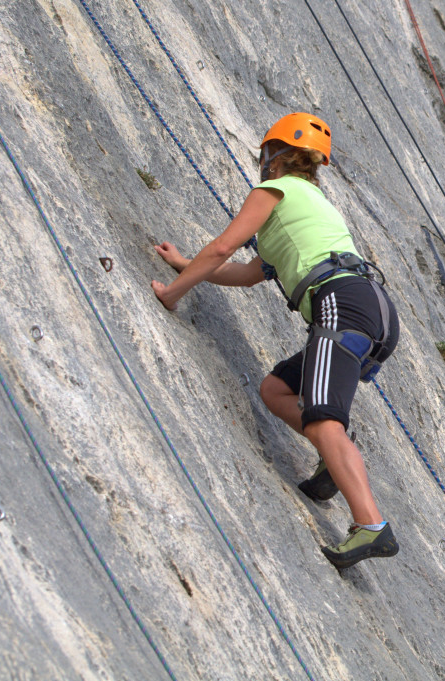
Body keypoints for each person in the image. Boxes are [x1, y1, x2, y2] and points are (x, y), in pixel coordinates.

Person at [150, 112, 400, 569]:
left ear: (276, 156)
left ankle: (371, 526)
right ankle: (333, 458)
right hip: (370, 308)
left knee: (325, 420)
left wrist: (172, 293)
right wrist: (184, 263)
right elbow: (247, 274)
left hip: (341, 304)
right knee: (277, 389)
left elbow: (225, 247)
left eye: (265, 154)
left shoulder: (273, 191)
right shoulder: (309, 204)